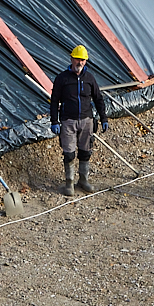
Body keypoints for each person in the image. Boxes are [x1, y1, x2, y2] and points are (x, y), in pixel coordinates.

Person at [50, 46, 108, 196]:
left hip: (87, 120)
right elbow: (54, 101)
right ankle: (69, 184)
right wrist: (54, 121)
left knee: (85, 152)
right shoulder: (62, 79)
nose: (80, 62)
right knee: (69, 154)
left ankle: (83, 180)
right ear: (71, 59)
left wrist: (104, 118)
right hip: (68, 121)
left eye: (82, 60)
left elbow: (98, 99)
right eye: (77, 59)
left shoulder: (90, 79)